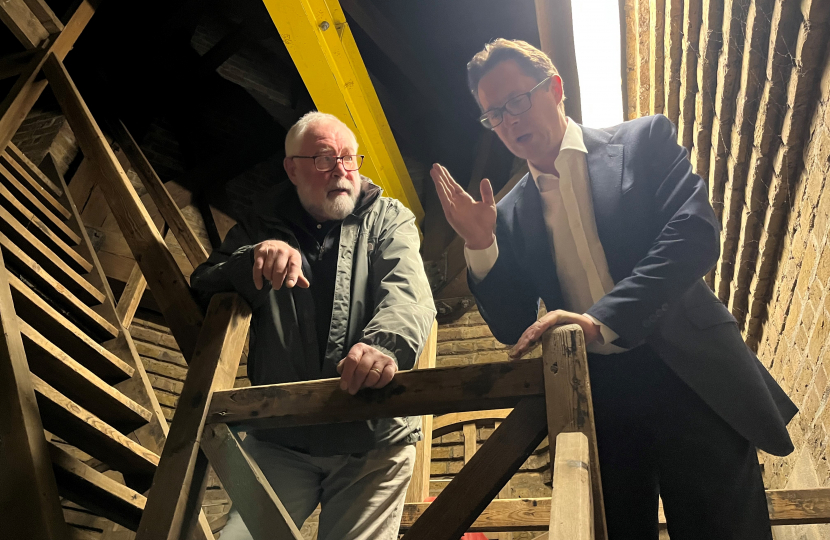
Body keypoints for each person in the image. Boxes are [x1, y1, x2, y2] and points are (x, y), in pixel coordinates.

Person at [430, 38, 797, 540]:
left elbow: (694, 236)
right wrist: (481, 246)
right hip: (599, 399)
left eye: (517, 101)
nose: (510, 122)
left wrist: (600, 320)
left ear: (555, 88)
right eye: (494, 115)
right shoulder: (509, 214)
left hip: (687, 371)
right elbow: (512, 326)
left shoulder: (644, 140)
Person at [190, 111, 436, 540]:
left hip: (373, 439)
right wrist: (252, 258)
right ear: (292, 168)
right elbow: (203, 286)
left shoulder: (389, 218)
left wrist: (385, 346)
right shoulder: (261, 222)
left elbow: (409, 293)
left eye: (348, 158)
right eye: (324, 158)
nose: (341, 170)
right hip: (281, 437)